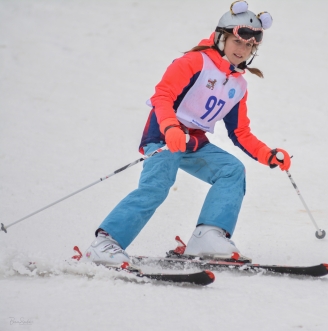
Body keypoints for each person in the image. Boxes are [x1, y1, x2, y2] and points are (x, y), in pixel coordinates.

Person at [81, 1, 291, 266]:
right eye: (238, 42)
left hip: (193, 143)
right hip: (164, 135)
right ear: (220, 37)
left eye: (250, 46)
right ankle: (105, 244)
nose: (243, 50)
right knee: (157, 187)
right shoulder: (195, 61)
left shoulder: (238, 84)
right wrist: (170, 127)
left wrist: (267, 154)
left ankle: (208, 236)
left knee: (232, 170)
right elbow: (163, 95)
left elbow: (240, 131)